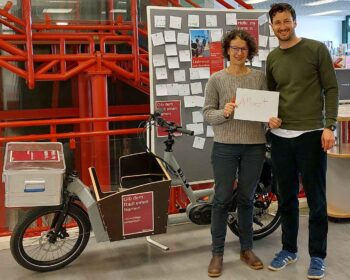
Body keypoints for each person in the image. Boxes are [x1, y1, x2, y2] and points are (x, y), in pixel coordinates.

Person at [266, 3, 338, 280]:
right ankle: (289, 249)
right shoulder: (272, 57)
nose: (282, 27)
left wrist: (328, 125)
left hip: (311, 135)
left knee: (316, 200)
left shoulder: (316, 49)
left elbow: (331, 88)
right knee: (286, 199)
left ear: (294, 21)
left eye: (286, 21)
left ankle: (318, 256)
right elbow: (272, 95)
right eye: (277, 23)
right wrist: (269, 118)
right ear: (272, 26)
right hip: (281, 138)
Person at [203, 29, 270, 277]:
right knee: (221, 200)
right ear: (227, 51)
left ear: (249, 51)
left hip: (254, 145)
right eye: (234, 48)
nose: (238, 53)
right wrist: (225, 112)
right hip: (225, 146)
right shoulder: (216, 79)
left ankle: (247, 249)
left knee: (246, 199)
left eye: (243, 49)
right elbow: (208, 114)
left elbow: (266, 109)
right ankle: (217, 253)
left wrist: (272, 119)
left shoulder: (259, 78)